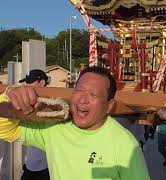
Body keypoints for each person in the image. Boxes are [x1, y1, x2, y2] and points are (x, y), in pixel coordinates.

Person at [0, 66, 150, 180]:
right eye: (79, 90)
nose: (83, 100)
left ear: (109, 106)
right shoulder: (55, 129)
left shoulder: (125, 144)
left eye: (93, 94)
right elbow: (5, 130)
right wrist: (10, 96)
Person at [18, 69, 50, 180]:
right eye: (26, 81)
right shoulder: (27, 103)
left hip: (48, 168)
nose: (27, 85)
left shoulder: (55, 103)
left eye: (31, 81)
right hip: (31, 165)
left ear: (42, 83)